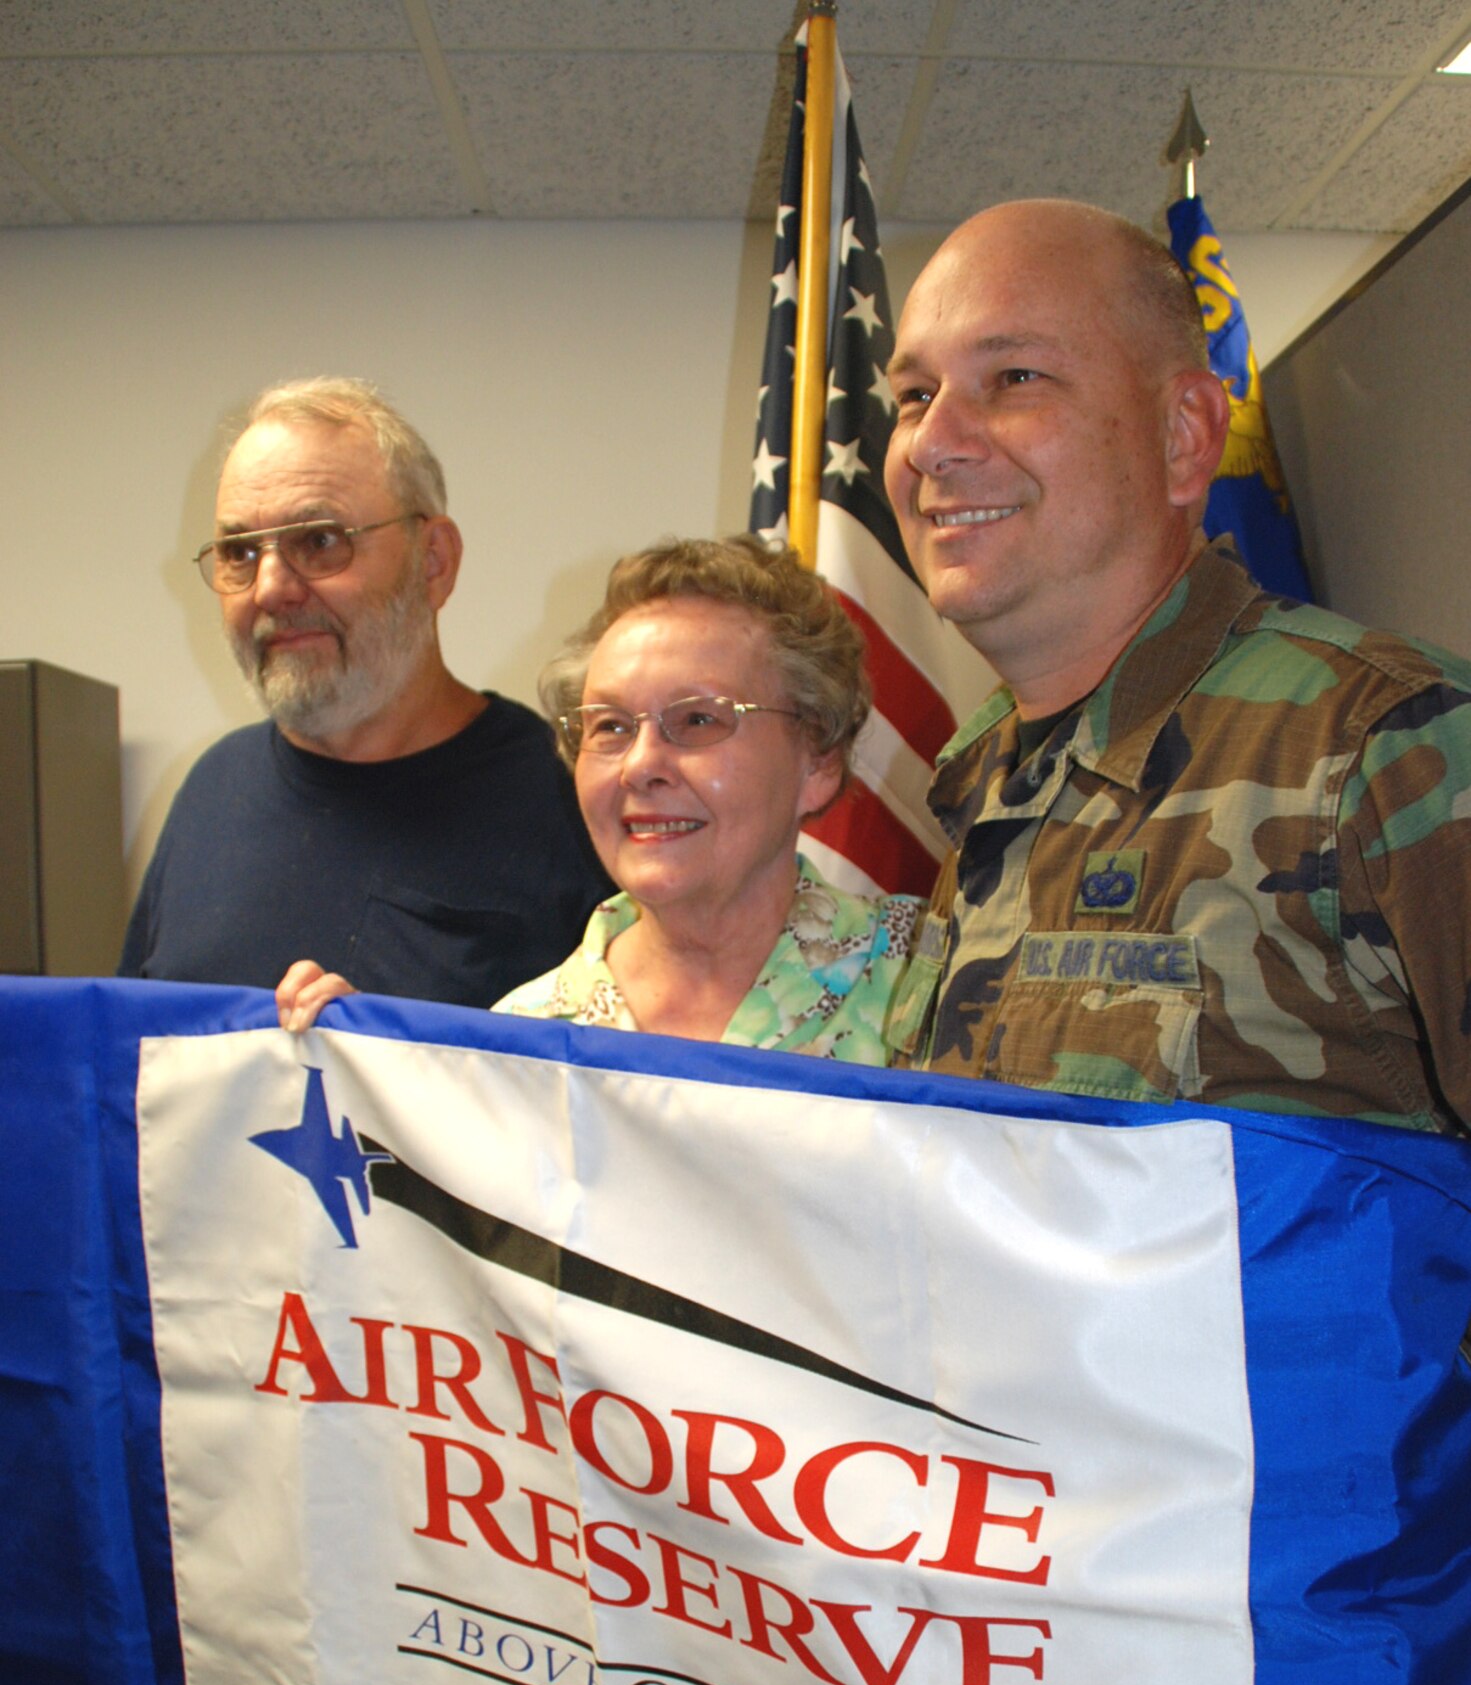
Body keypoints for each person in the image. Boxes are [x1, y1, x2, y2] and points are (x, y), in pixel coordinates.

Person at [882, 198, 1471, 1132]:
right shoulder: (988, 779)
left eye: (1014, 377)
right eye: (914, 395)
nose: (930, 443)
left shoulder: (1386, 747)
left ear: (1185, 434)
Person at [278, 535, 918, 1065]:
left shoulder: (925, 983)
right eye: (609, 726)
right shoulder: (520, 1041)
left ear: (819, 760)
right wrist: (366, 1086)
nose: (640, 766)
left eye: (697, 721)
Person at [118, 377, 608, 1006]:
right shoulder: (213, 790)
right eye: (240, 551)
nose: (271, 588)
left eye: (319, 542)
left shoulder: (570, 795)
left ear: (433, 561)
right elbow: (135, 1074)